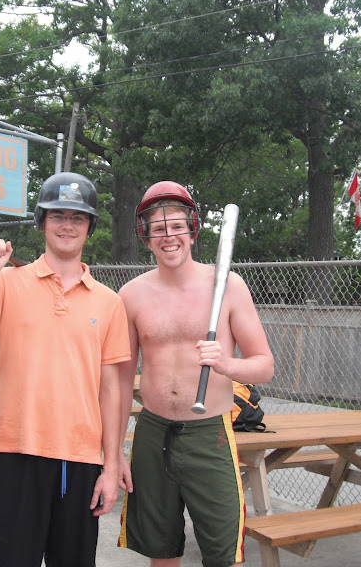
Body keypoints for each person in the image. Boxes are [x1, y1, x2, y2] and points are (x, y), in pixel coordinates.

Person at [0, 172, 131, 567]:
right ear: (42, 222)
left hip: (80, 462)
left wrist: (111, 466)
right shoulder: (6, 283)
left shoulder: (109, 302)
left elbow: (110, 390)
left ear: (89, 227)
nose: (67, 225)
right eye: (57, 215)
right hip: (14, 455)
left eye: (77, 218)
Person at [117, 181, 275, 567]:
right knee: (160, 551)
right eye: (158, 228)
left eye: (176, 226)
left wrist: (226, 364)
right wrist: (115, 450)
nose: (168, 236)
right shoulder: (131, 295)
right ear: (145, 236)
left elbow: (264, 366)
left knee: (223, 555)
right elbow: (120, 381)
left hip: (210, 435)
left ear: (192, 231)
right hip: (152, 433)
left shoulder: (229, 286)